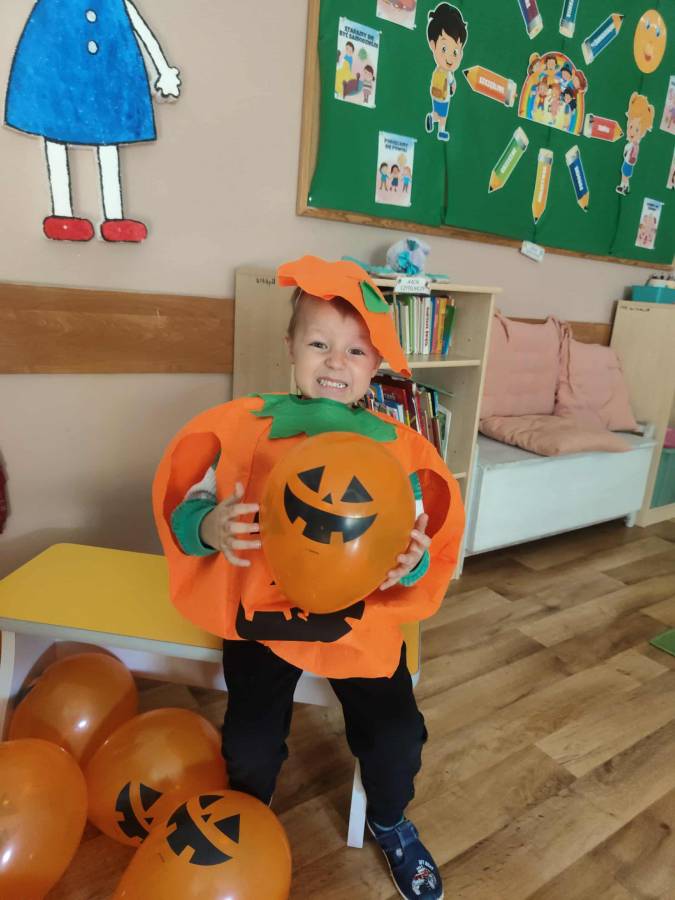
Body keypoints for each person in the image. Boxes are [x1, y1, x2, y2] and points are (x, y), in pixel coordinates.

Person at [153, 256, 464, 900]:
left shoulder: (398, 451)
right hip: (262, 616)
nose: (335, 363)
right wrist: (208, 525)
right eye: (319, 344)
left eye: (355, 351)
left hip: (359, 621)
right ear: (290, 347)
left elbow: (419, 541)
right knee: (249, 742)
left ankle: (389, 819)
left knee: (397, 738)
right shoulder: (244, 432)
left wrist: (412, 561)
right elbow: (187, 509)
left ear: (375, 366)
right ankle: (245, 815)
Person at [425, 3, 468, 142]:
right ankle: (441, 131)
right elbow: (452, 84)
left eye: (455, 52)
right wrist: (453, 87)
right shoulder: (448, 73)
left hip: (435, 95)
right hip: (444, 98)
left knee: (437, 113)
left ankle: (432, 117)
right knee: (443, 116)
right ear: (433, 45)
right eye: (444, 49)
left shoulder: (437, 70)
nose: (450, 58)